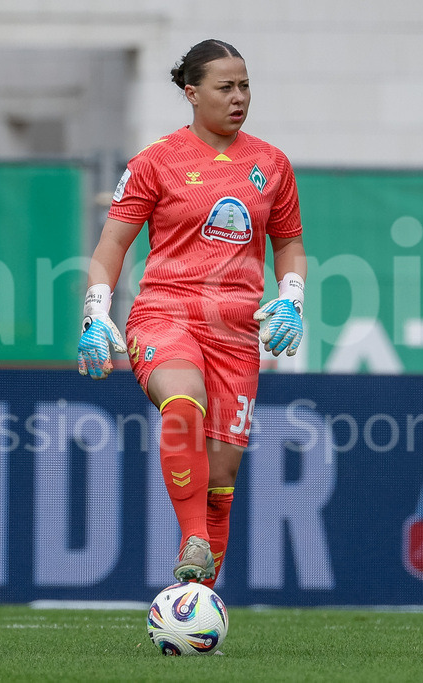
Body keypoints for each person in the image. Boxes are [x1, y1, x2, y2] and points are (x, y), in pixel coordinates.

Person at [77, 39, 307, 587]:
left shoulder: (271, 164)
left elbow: (290, 244)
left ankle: (194, 604)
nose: (239, 97)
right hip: (165, 313)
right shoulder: (155, 161)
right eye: (225, 87)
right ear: (191, 93)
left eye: (245, 85)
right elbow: (111, 248)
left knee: (222, 476)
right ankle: (194, 539)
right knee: (184, 402)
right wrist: (95, 312)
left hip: (236, 330)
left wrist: (292, 296)